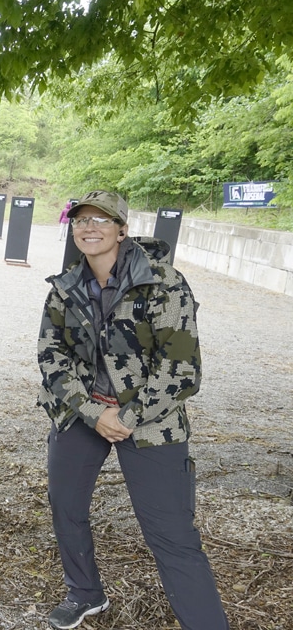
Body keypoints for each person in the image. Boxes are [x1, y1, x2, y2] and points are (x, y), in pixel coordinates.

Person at [37, 190, 229, 630]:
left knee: (172, 534)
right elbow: (52, 356)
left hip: (150, 422)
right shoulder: (66, 287)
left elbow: (182, 369)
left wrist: (125, 418)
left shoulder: (163, 282)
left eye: (101, 220)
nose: (89, 227)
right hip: (83, 416)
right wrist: (91, 412)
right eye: (81, 220)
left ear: (122, 229)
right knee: (66, 506)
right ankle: (85, 593)